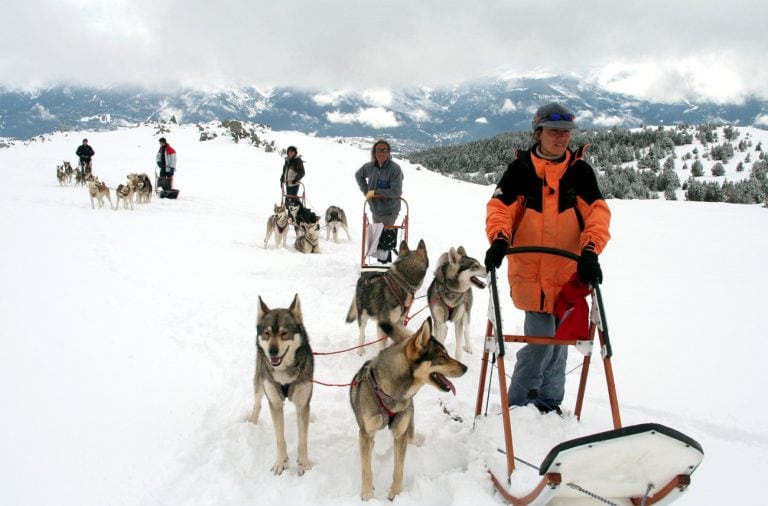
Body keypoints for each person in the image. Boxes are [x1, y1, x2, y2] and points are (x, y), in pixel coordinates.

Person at [484, 103, 611, 414]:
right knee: (542, 341)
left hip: (569, 276)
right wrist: (500, 240)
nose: (562, 138)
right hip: (531, 274)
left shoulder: (578, 172)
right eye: (555, 131)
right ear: (538, 132)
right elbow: (500, 209)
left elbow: (597, 214)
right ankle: (518, 405)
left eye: (566, 133)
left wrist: (591, 251)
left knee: (561, 344)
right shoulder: (521, 170)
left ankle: (549, 403)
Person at [355, 139, 403, 263]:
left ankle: (384, 265)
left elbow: (396, 191)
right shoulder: (370, 167)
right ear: (374, 152)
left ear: (389, 152)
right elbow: (358, 175)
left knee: (385, 236)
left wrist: (376, 193)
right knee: (377, 236)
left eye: (384, 150)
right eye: (378, 150)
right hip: (375, 209)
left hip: (390, 210)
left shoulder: (395, 169)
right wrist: (366, 191)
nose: (381, 153)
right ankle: (382, 264)